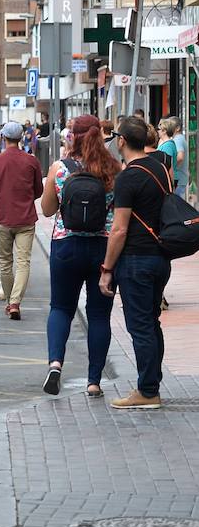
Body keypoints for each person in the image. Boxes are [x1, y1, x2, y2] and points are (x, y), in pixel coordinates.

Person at [39, 114, 119, 397]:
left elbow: (48, 210)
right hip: (102, 248)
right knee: (99, 316)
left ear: (73, 137)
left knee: (61, 308)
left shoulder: (60, 168)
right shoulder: (113, 169)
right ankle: (94, 381)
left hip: (66, 246)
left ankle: (56, 364)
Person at [100, 115, 173, 410]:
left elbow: (118, 229)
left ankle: (147, 391)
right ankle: (151, 383)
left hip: (136, 260)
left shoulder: (128, 176)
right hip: (160, 257)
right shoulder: (161, 167)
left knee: (140, 326)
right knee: (151, 323)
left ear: (121, 141)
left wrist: (106, 269)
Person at [0, 122, 44, 320]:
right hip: (26, 218)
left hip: (3, 219)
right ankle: (15, 301)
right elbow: (38, 190)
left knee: (5, 261)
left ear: (3, 138)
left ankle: (11, 302)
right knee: (23, 261)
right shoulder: (31, 161)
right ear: (21, 138)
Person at [158, 116, 185, 182]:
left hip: (169, 178)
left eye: (159, 129)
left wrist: (171, 183)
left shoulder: (168, 145)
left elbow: (169, 164)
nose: (157, 131)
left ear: (164, 131)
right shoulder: (166, 143)